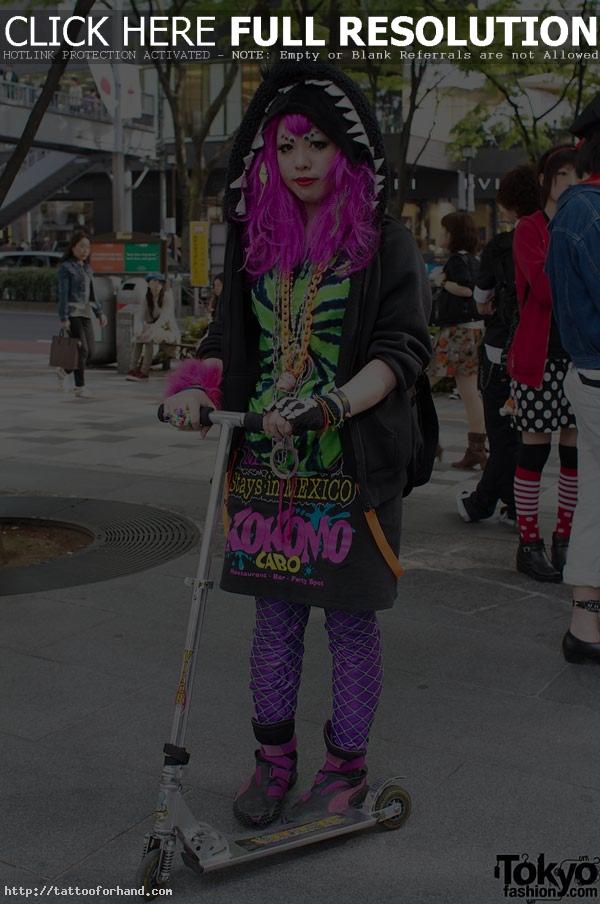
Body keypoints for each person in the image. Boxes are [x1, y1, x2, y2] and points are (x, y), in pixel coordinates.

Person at [162, 61, 432, 827]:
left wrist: (334, 404)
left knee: (350, 624)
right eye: (286, 147)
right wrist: (194, 388)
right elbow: (229, 343)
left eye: (316, 143)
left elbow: (401, 349)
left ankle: (346, 770)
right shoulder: (258, 235)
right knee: (274, 625)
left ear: (346, 151)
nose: (302, 160)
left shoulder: (385, 239)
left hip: (350, 472)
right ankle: (272, 761)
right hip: (267, 477)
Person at [506, 147, 578, 582]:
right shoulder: (529, 228)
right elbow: (547, 288)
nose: (570, 181)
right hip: (538, 357)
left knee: (574, 454)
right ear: (545, 179)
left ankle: (564, 539)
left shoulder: (584, 221)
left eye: (577, 173)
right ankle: (528, 543)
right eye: (562, 173)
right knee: (535, 450)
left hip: (579, 354)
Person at [546, 95, 600, 663]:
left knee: (596, 499)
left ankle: (585, 625)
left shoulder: (574, 209)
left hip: (588, 376)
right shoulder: (593, 211)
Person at [457, 166, 541, 524]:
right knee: (528, 434)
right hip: (541, 350)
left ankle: (484, 501)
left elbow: (480, 299)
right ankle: (515, 501)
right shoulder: (550, 234)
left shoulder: (502, 244)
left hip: (501, 349)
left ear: (507, 203)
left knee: (502, 431)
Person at [429, 212, 486, 469]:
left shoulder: (456, 261)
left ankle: (427, 440)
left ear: (453, 234)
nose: (440, 236)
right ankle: (477, 448)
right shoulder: (474, 259)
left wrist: (444, 282)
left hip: (456, 333)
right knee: (469, 391)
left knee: (418, 383)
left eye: (443, 231)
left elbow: (467, 290)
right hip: (472, 331)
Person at [57, 230, 107, 398]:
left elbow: (92, 295)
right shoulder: (66, 267)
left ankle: (64, 370)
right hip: (72, 312)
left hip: (85, 312)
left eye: (87, 247)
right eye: (81, 246)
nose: (85, 250)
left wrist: (100, 313)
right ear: (73, 248)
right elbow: (63, 294)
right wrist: (63, 317)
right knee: (83, 349)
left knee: (91, 351)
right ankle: (80, 387)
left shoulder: (87, 268)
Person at [126, 273, 181, 382]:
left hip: (167, 329)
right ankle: (132, 369)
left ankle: (144, 372)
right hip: (152, 328)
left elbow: (165, 317)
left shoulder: (167, 296)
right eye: (154, 282)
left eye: (159, 283)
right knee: (138, 338)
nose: (156, 285)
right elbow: (140, 315)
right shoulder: (146, 297)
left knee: (149, 338)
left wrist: (150, 330)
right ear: (149, 284)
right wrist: (139, 330)